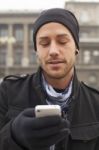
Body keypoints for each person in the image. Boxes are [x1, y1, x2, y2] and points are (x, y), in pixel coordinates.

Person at [0, 8, 99, 150]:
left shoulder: (96, 104)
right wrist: (12, 136)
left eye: (63, 41)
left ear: (76, 47)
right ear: (36, 51)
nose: (53, 51)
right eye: (44, 43)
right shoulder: (7, 92)